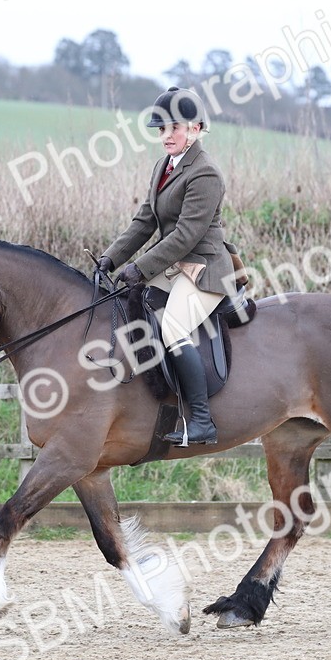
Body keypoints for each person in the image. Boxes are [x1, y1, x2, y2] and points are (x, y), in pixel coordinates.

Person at [97, 86, 234, 447]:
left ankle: (202, 421)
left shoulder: (205, 174)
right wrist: (110, 259)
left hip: (204, 269)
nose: (166, 136)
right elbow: (144, 221)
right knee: (127, 302)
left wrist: (140, 267)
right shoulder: (164, 166)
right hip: (174, 266)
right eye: (161, 129)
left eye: (175, 128)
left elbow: (186, 235)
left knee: (173, 328)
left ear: (196, 129)